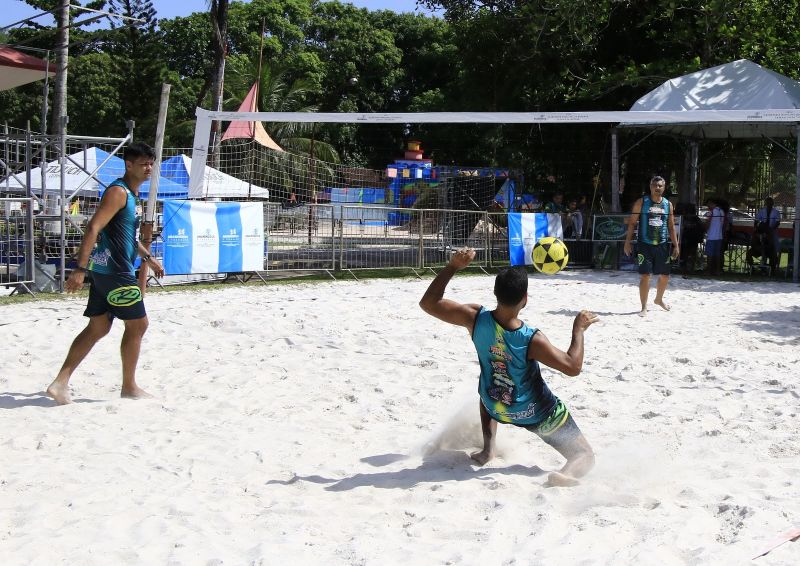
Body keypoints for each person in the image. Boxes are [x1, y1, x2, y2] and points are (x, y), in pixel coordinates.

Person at [419, 248, 599, 487]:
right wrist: (578, 330)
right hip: (536, 414)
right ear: (525, 298)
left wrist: (453, 267)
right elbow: (572, 367)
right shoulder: (531, 339)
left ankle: (487, 450)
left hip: (496, 404)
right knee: (585, 456)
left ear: (495, 293)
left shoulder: (474, 318)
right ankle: (565, 475)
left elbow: (428, 303)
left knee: (491, 383)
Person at [46, 142, 165, 405]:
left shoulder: (132, 196)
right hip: (115, 272)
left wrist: (149, 258)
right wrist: (79, 269)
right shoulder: (118, 192)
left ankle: (60, 382)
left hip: (106, 271)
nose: (148, 168)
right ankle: (129, 386)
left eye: (151, 163)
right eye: (144, 163)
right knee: (139, 324)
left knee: (98, 327)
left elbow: (129, 237)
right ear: (129, 165)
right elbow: (93, 228)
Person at [623, 176, 679, 316]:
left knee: (665, 276)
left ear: (664, 187)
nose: (657, 187)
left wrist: (676, 246)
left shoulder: (668, 204)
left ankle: (658, 299)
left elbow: (671, 226)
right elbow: (632, 223)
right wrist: (627, 242)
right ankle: (643, 307)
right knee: (646, 276)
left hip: (662, 245)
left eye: (660, 185)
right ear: (650, 186)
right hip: (644, 244)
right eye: (655, 185)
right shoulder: (642, 202)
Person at [753, 197, 781, 273]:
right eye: (767, 202)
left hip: (773, 232)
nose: (769, 204)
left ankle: (773, 268)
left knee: (774, 249)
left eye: (770, 202)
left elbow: (778, 222)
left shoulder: (776, 212)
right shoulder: (762, 211)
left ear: (772, 203)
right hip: (763, 232)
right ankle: (763, 266)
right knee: (763, 249)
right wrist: (756, 229)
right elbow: (756, 220)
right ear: (765, 203)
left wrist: (771, 230)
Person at [703, 198, 725, 275]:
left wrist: (704, 228)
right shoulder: (722, 211)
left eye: (708, 204)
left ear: (712, 203)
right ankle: (717, 270)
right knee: (717, 255)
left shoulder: (711, 212)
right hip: (719, 236)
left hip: (711, 236)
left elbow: (707, 224)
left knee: (710, 255)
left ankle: (709, 271)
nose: (707, 206)